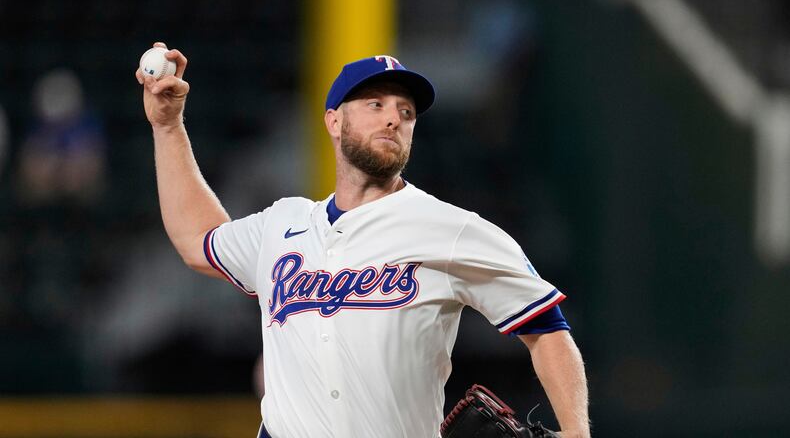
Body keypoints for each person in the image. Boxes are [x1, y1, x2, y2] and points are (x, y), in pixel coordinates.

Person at [135, 41, 590, 438]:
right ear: (334, 122)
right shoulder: (283, 224)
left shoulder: (452, 229)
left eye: (406, 112)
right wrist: (168, 127)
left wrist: (575, 431)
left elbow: (548, 331)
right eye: (375, 104)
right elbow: (198, 239)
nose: (393, 118)